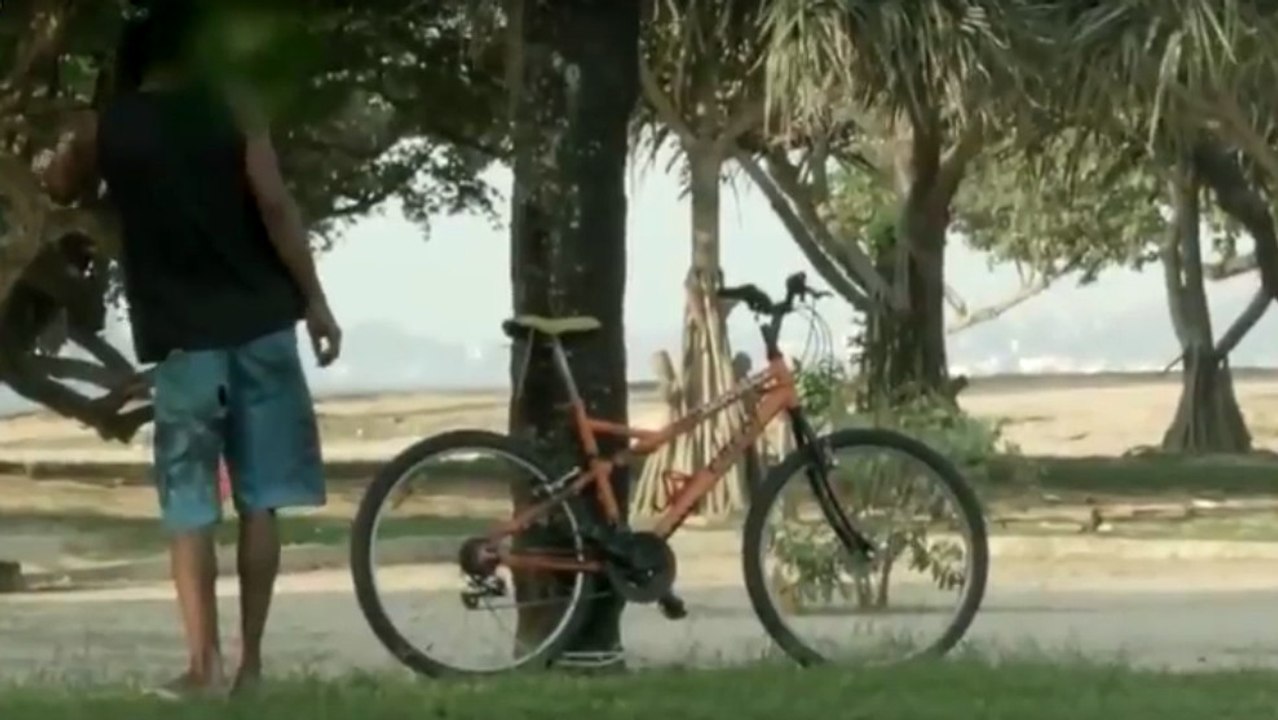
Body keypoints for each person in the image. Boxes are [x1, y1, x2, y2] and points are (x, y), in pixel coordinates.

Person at [41, 0, 342, 697]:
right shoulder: (237, 107)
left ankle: (201, 665)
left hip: (182, 343)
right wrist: (316, 302)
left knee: (190, 505)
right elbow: (274, 204)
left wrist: (74, 150)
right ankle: (252, 668)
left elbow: (61, 184)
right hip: (264, 325)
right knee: (260, 502)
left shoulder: (109, 126)